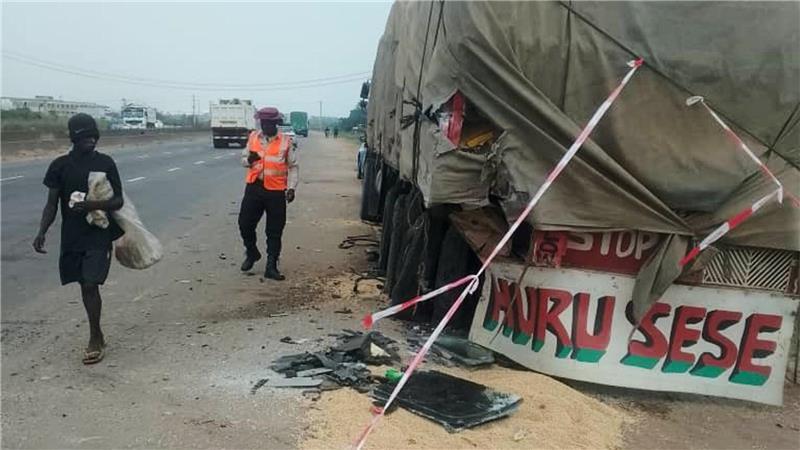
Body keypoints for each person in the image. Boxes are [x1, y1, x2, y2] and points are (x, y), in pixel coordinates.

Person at [33, 113, 124, 365]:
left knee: (90, 284)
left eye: (94, 137)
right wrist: (42, 231)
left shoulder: (105, 163)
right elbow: (51, 204)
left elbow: (118, 200)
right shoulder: (60, 166)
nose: (91, 141)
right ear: (74, 138)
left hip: (99, 233)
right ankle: (98, 333)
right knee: (83, 283)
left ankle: (94, 337)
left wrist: (93, 205)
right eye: (86, 138)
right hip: (73, 235)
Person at [238, 107, 299, 280]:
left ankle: (271, 265)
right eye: (263, 123)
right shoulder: (253, 137)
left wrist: (291, 188)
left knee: (274, 230)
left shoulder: (286, 142)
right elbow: (243, 160)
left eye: (270, 123)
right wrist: (249, 160)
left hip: (276, 191)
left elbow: (293, 167)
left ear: (276, 123)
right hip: (254, 188)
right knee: (244, 224)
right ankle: (252, 252)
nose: (266, 126)